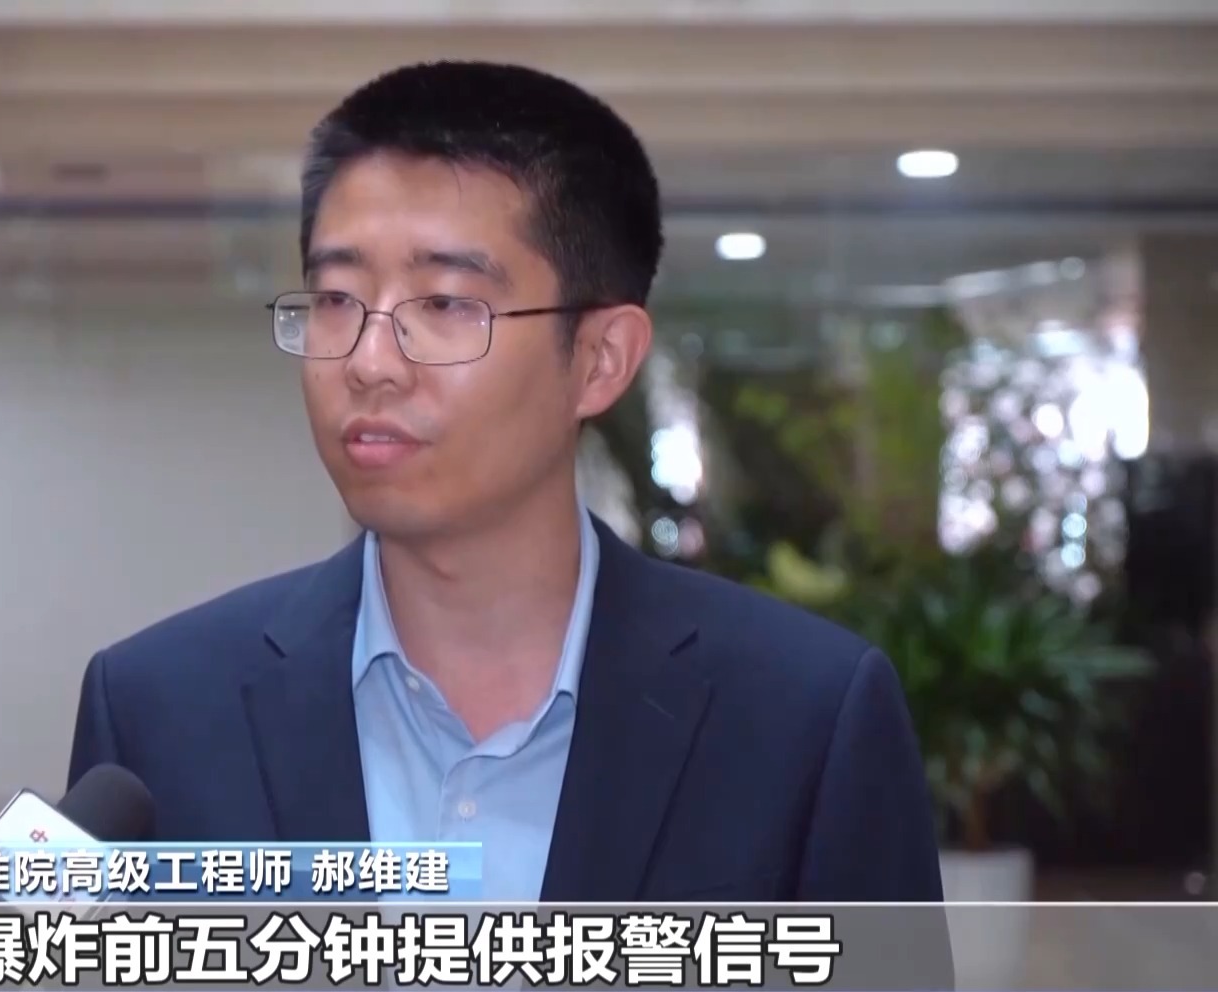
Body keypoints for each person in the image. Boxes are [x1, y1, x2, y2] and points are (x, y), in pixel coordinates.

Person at [68, 61, 945, 906]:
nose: (369, 362)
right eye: (336, 300)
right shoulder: (158, 713)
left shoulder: (804, 718)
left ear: (599, 360)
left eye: (445, 304)